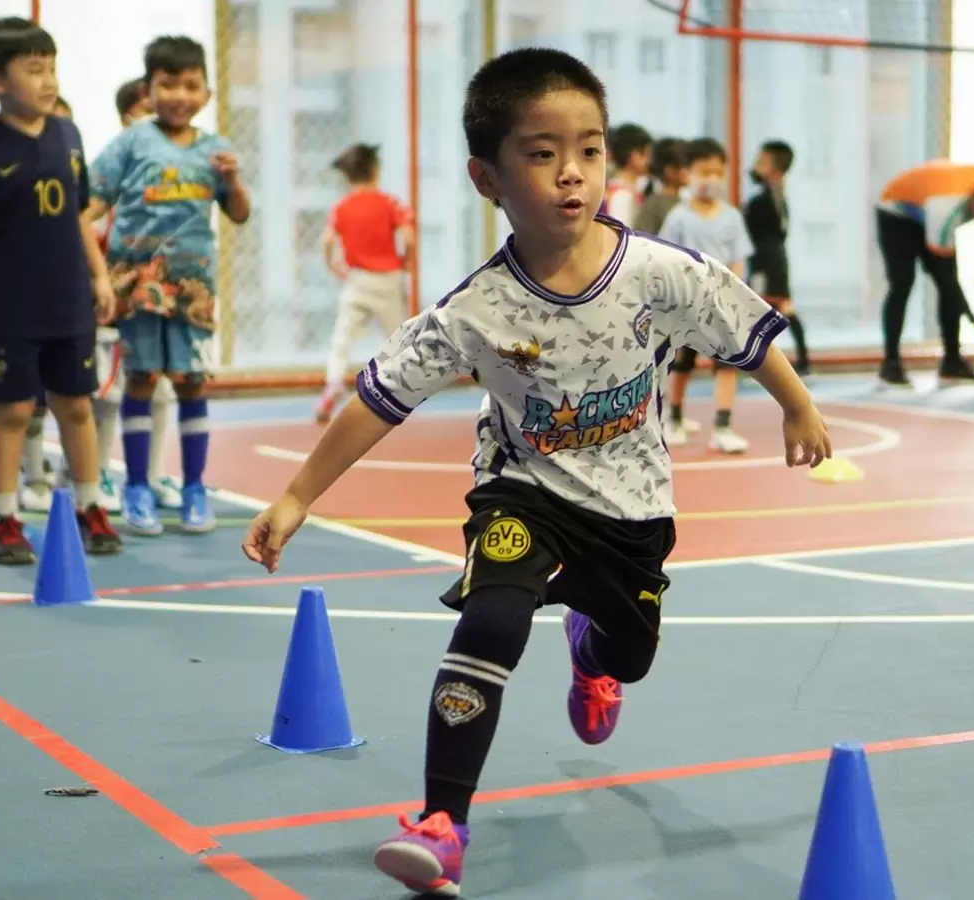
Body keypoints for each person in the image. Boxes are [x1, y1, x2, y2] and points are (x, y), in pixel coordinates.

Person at [238, 47, 831, 897]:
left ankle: (592, 645)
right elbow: (378, 398)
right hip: (525, 490)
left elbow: (742, 322)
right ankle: (444, 822)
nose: (570, 174)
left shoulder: (659, 272)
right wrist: (296, 496)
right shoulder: (476, 310)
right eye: (541, 153)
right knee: (491, 622)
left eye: (588, 150)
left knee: (630, 659)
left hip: (632, 508)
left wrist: (798, 404)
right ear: (489, 177)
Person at [0, 16, 122, 564]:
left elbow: (81, 216)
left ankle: (89, 506)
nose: (48, 80)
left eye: (52, 68)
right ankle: (4, 519)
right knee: (12, 412)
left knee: (77, 407)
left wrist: (99, 275)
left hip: (68, 301)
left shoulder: (68, 135)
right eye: (33, 70)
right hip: (10, 306)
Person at [83, 35, 252, 536]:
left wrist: (235, 181)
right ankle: (136, 487)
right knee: (141, 379)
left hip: (191, 288)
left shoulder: (216, 150)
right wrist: (100, 275)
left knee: (190, 382)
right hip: (134, 285)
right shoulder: (133, 142)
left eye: (190, 85)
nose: (179, 94)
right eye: (167, 84)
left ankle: (195, 487)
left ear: (206, 93)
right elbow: (85, 208)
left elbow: (238, 213)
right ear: (148, 89)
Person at [875, 160, 974, 388]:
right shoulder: (945, 209)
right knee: (902, 284)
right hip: (897, 213)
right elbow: (949, 281)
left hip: (929, 201)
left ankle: (952, 362)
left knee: (947, 288)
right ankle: (890, 364)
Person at [657, 137, 753, 454]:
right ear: (688, 174)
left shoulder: (732, 217)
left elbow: (738, 259)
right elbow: (664, 258)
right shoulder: (678, 217)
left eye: (717, 173)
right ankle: (674, 418)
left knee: (726, 365)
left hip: (722, 307)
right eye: (703, 172)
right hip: (684, 306)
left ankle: (723, 427)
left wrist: (733, 293)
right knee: (681, 364)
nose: (711, 180)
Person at [314, 142, 414, 424]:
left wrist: (332, 265)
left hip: (357, 280)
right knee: (396, 338)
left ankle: (333, 383)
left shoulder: (342, 206)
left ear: (347, 176)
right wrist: (407, 260)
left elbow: (326, 240)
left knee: (342, 338)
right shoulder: (389, 202)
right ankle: (401, 391)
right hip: (388, 279)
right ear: (375, 171)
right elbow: (408, 236)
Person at [744, 139, 810, 373]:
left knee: (762, 307)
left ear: (775, 170)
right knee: (778, 306)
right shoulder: (773, 194)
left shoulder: (766, 197)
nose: (754, 165)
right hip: (771, 258)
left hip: (767, 261)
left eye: (761, 162)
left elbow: (752, 229)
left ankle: (778, 361)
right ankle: (801, 360)